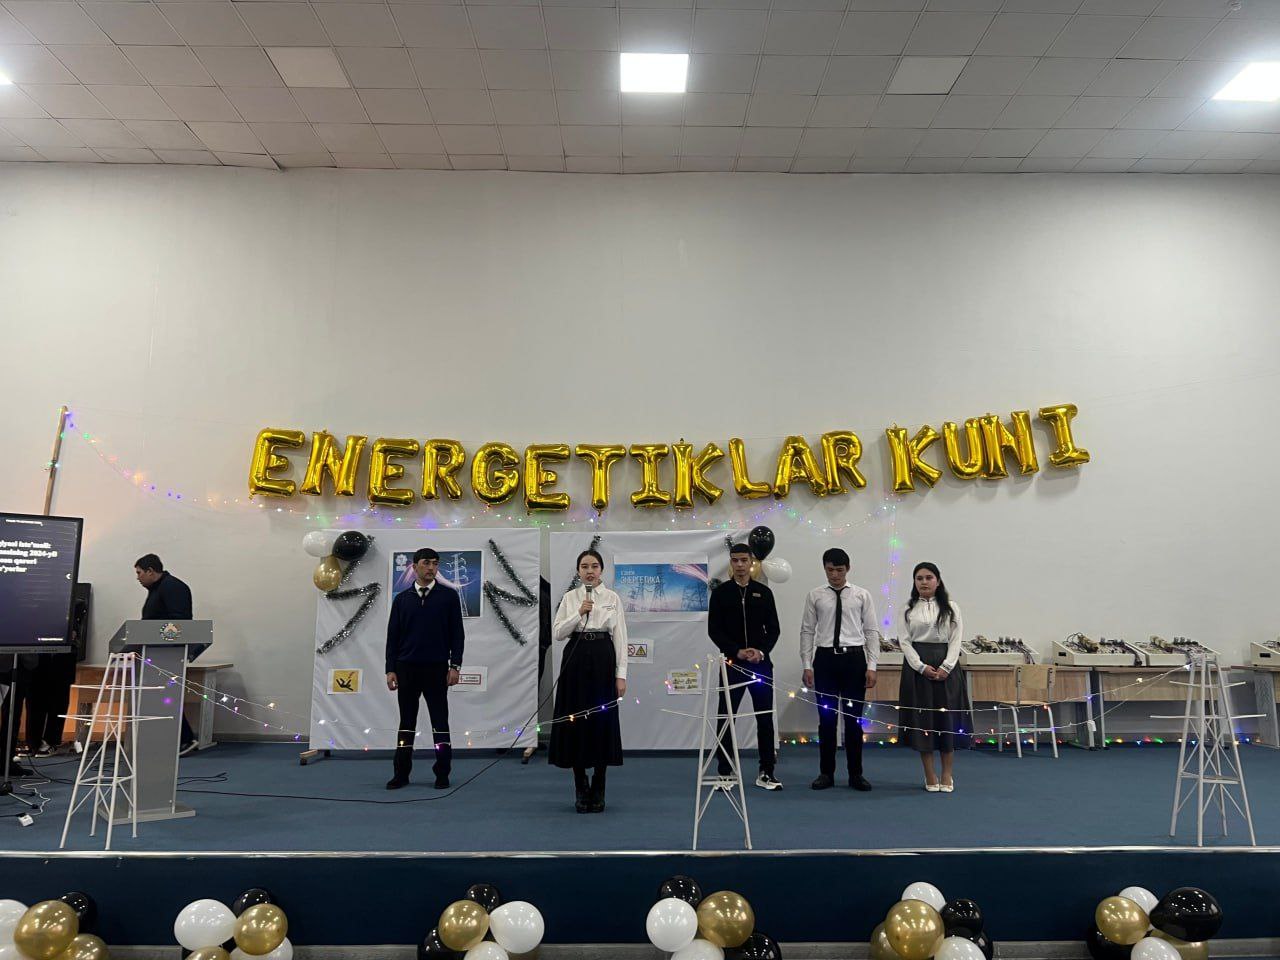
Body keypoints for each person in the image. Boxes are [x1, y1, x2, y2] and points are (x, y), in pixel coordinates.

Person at [549, 550, 626, 813]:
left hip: (603, 656)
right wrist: (578, 613)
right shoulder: (570, 598)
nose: (589, 571)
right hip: (576, 657)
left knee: (601, 720)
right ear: (578, 571)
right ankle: (580, 785)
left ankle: (599, 785)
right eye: (584, 566)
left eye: (594, 566)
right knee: (576, 721)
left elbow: (621, 637)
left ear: (601, 570)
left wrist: (621, 675)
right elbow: (558, 633)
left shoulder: (612, 598)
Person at [799, 547, 880, 791]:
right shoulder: (815, 595)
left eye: (839, 570)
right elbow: (807, 631)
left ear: (848, 569)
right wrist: (807, 664)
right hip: (825, 660)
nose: (834, 575)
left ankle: (856, 774)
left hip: (854, 660)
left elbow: (871, 631)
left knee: (853, 720)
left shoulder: (861, 595)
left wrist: (872, 665)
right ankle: (826, 773)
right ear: (824, 568)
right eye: (830, 570)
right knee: (826, 720)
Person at [385, 548, 464, 790]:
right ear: (415, 566)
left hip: (436, 669)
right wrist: (390, 669)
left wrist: (455, 666)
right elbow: (393, 637)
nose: (431, 568)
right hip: (406, 669)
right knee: (406, 723)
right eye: (426, 563)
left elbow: (457, 635)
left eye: (435, 564)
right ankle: (401, 773)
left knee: (440, 722)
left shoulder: (448, 597)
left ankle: (442, 773)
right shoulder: (402, 599)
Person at [708, 543, 782, 790]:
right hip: (732, 665)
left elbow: (774, 629)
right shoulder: (721, 593)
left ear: (751, 562)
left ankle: (767, 771)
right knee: (726, 717)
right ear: (731, 562)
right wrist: (735, 651)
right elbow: (714, 630)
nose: (739, 565)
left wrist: (760, 651)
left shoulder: (764, 592)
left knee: (764, 718)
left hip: (760, 665)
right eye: (735, 560)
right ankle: (725, 772)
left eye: (743, 560)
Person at [898, 562, 968, 792]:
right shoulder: (907, 608)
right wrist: (920, 667)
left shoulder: (951, 607)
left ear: (938, 581)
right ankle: (929, 774)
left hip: (947, 666)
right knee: (924, 722)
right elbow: (904, 642)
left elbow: (956, 639)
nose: (924, 582)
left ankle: (947, 774)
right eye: (919, 578)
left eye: (929, 577)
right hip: (918, 667)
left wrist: (947, 666)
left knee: (946, 720)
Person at [135, 554, 198, 755]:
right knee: (161, 698)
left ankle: (185, 739)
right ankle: (170, 740)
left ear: (150, 571)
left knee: (167, 698)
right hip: (157, 651)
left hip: (168, 652)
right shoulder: (158, 589)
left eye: (139, 573)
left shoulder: (172, 587)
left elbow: (179, 623)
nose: (137, 577)